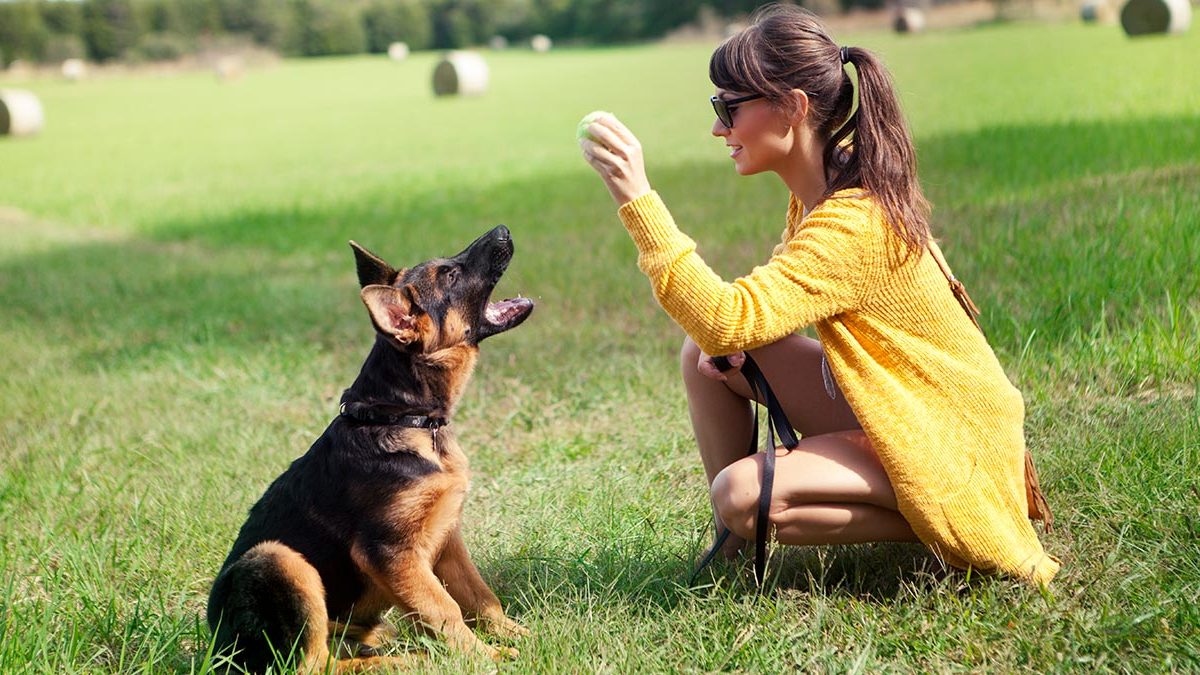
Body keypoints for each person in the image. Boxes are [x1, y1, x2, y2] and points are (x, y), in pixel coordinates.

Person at [578, 3, 1058, 585]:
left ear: (793, 109)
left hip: (949, 436)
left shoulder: (853, 221)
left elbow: (729, 319)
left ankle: (959, 514)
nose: (717, 129)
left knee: (739, 491)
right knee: (700, 353)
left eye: (728, 108)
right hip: (901, 399)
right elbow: (749, 318)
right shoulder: (830, 184)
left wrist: (637, 198)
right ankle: (730, 553)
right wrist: (734, 341)